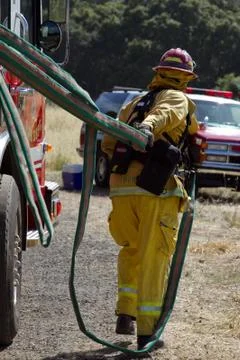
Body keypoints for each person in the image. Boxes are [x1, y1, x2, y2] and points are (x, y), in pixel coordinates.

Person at [101, 48, 199, 350]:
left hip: (121, 189)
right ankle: (147, 332)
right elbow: (165, 115)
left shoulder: (132, 104)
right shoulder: (177, 99)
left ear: (158, 73)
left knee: (131, 249)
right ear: (185, 77)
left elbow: (107, 142)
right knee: (154, 256)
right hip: (156, 189)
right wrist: (149, 129)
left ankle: (126, 313)